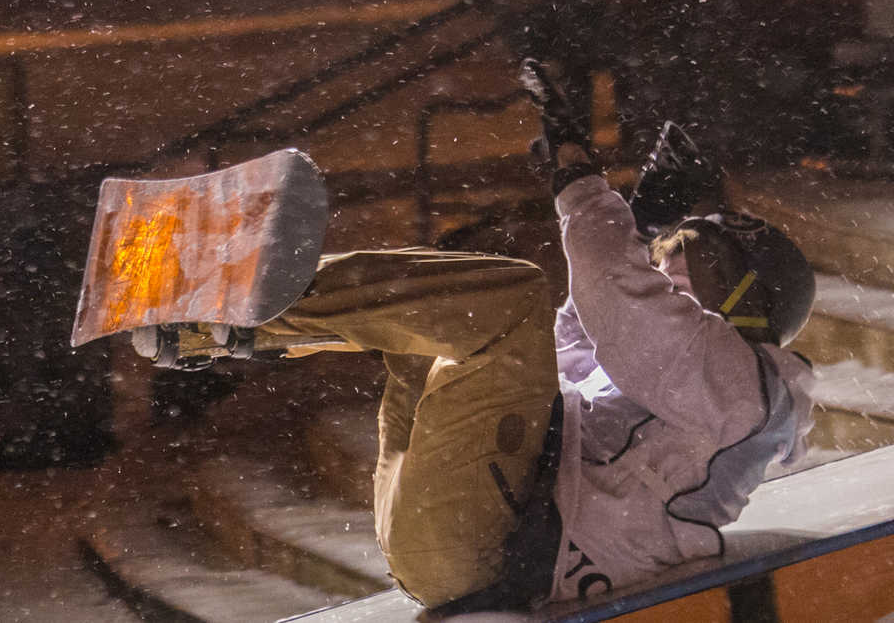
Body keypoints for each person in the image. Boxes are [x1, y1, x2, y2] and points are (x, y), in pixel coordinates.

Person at [129, 60, 816, 610]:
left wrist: (581, 182)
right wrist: (644, 214)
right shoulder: (681, 381)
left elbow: (618, 301)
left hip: (500, 545)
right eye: (673, 249)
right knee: (436, 320)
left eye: (698, 258)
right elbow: (590, 324)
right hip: (461, 528)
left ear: (749, 300)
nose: (672, 264)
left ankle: (232, 308)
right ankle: (216, 324)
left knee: (512, 299)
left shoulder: (746, 391)